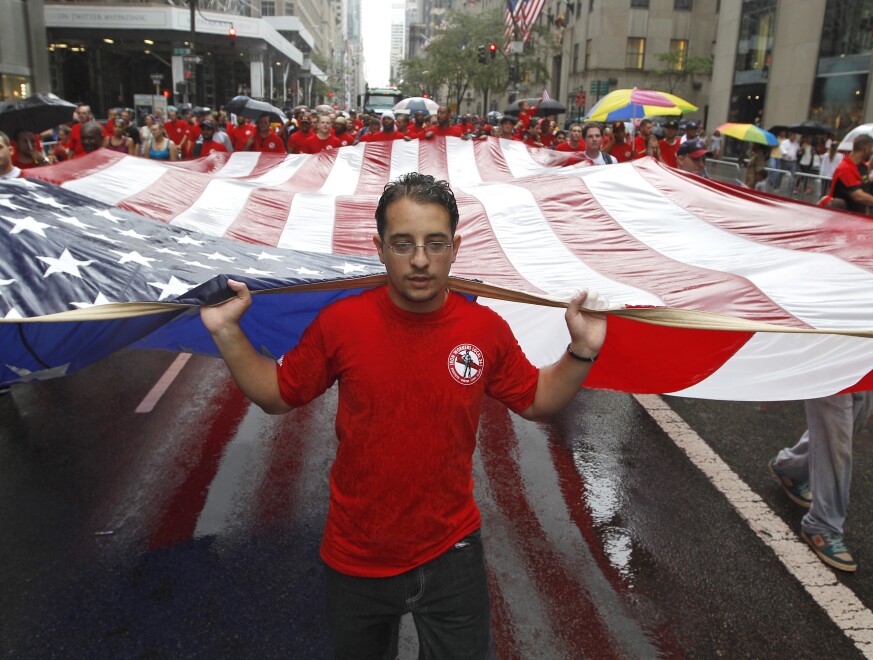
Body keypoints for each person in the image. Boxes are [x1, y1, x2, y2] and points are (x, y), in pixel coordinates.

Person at [199, 172, 609, 657]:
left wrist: (581, 350)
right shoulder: (342, 324)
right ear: (378, 247)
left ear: (456, 247)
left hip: (452, 553)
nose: (419, 260)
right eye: (403, 244)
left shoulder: (484, 328)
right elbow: (276, 394)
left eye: (435, 244)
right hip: (356, 557)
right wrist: (227, 332)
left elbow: (536, 400)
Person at [769, 391, 873, 571]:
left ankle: (791, 466)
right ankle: (823, 523)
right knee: (837, 437)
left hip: (870, 366)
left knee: (851, 420)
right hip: (836, 364)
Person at [826, 133, 873, 214]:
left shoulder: (864, 167)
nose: (872, 151)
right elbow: (858, 196)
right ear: (866, 149)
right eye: (871, 148)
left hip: (859, 218)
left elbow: (865, 196)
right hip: (841, 217)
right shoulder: (844, 168)